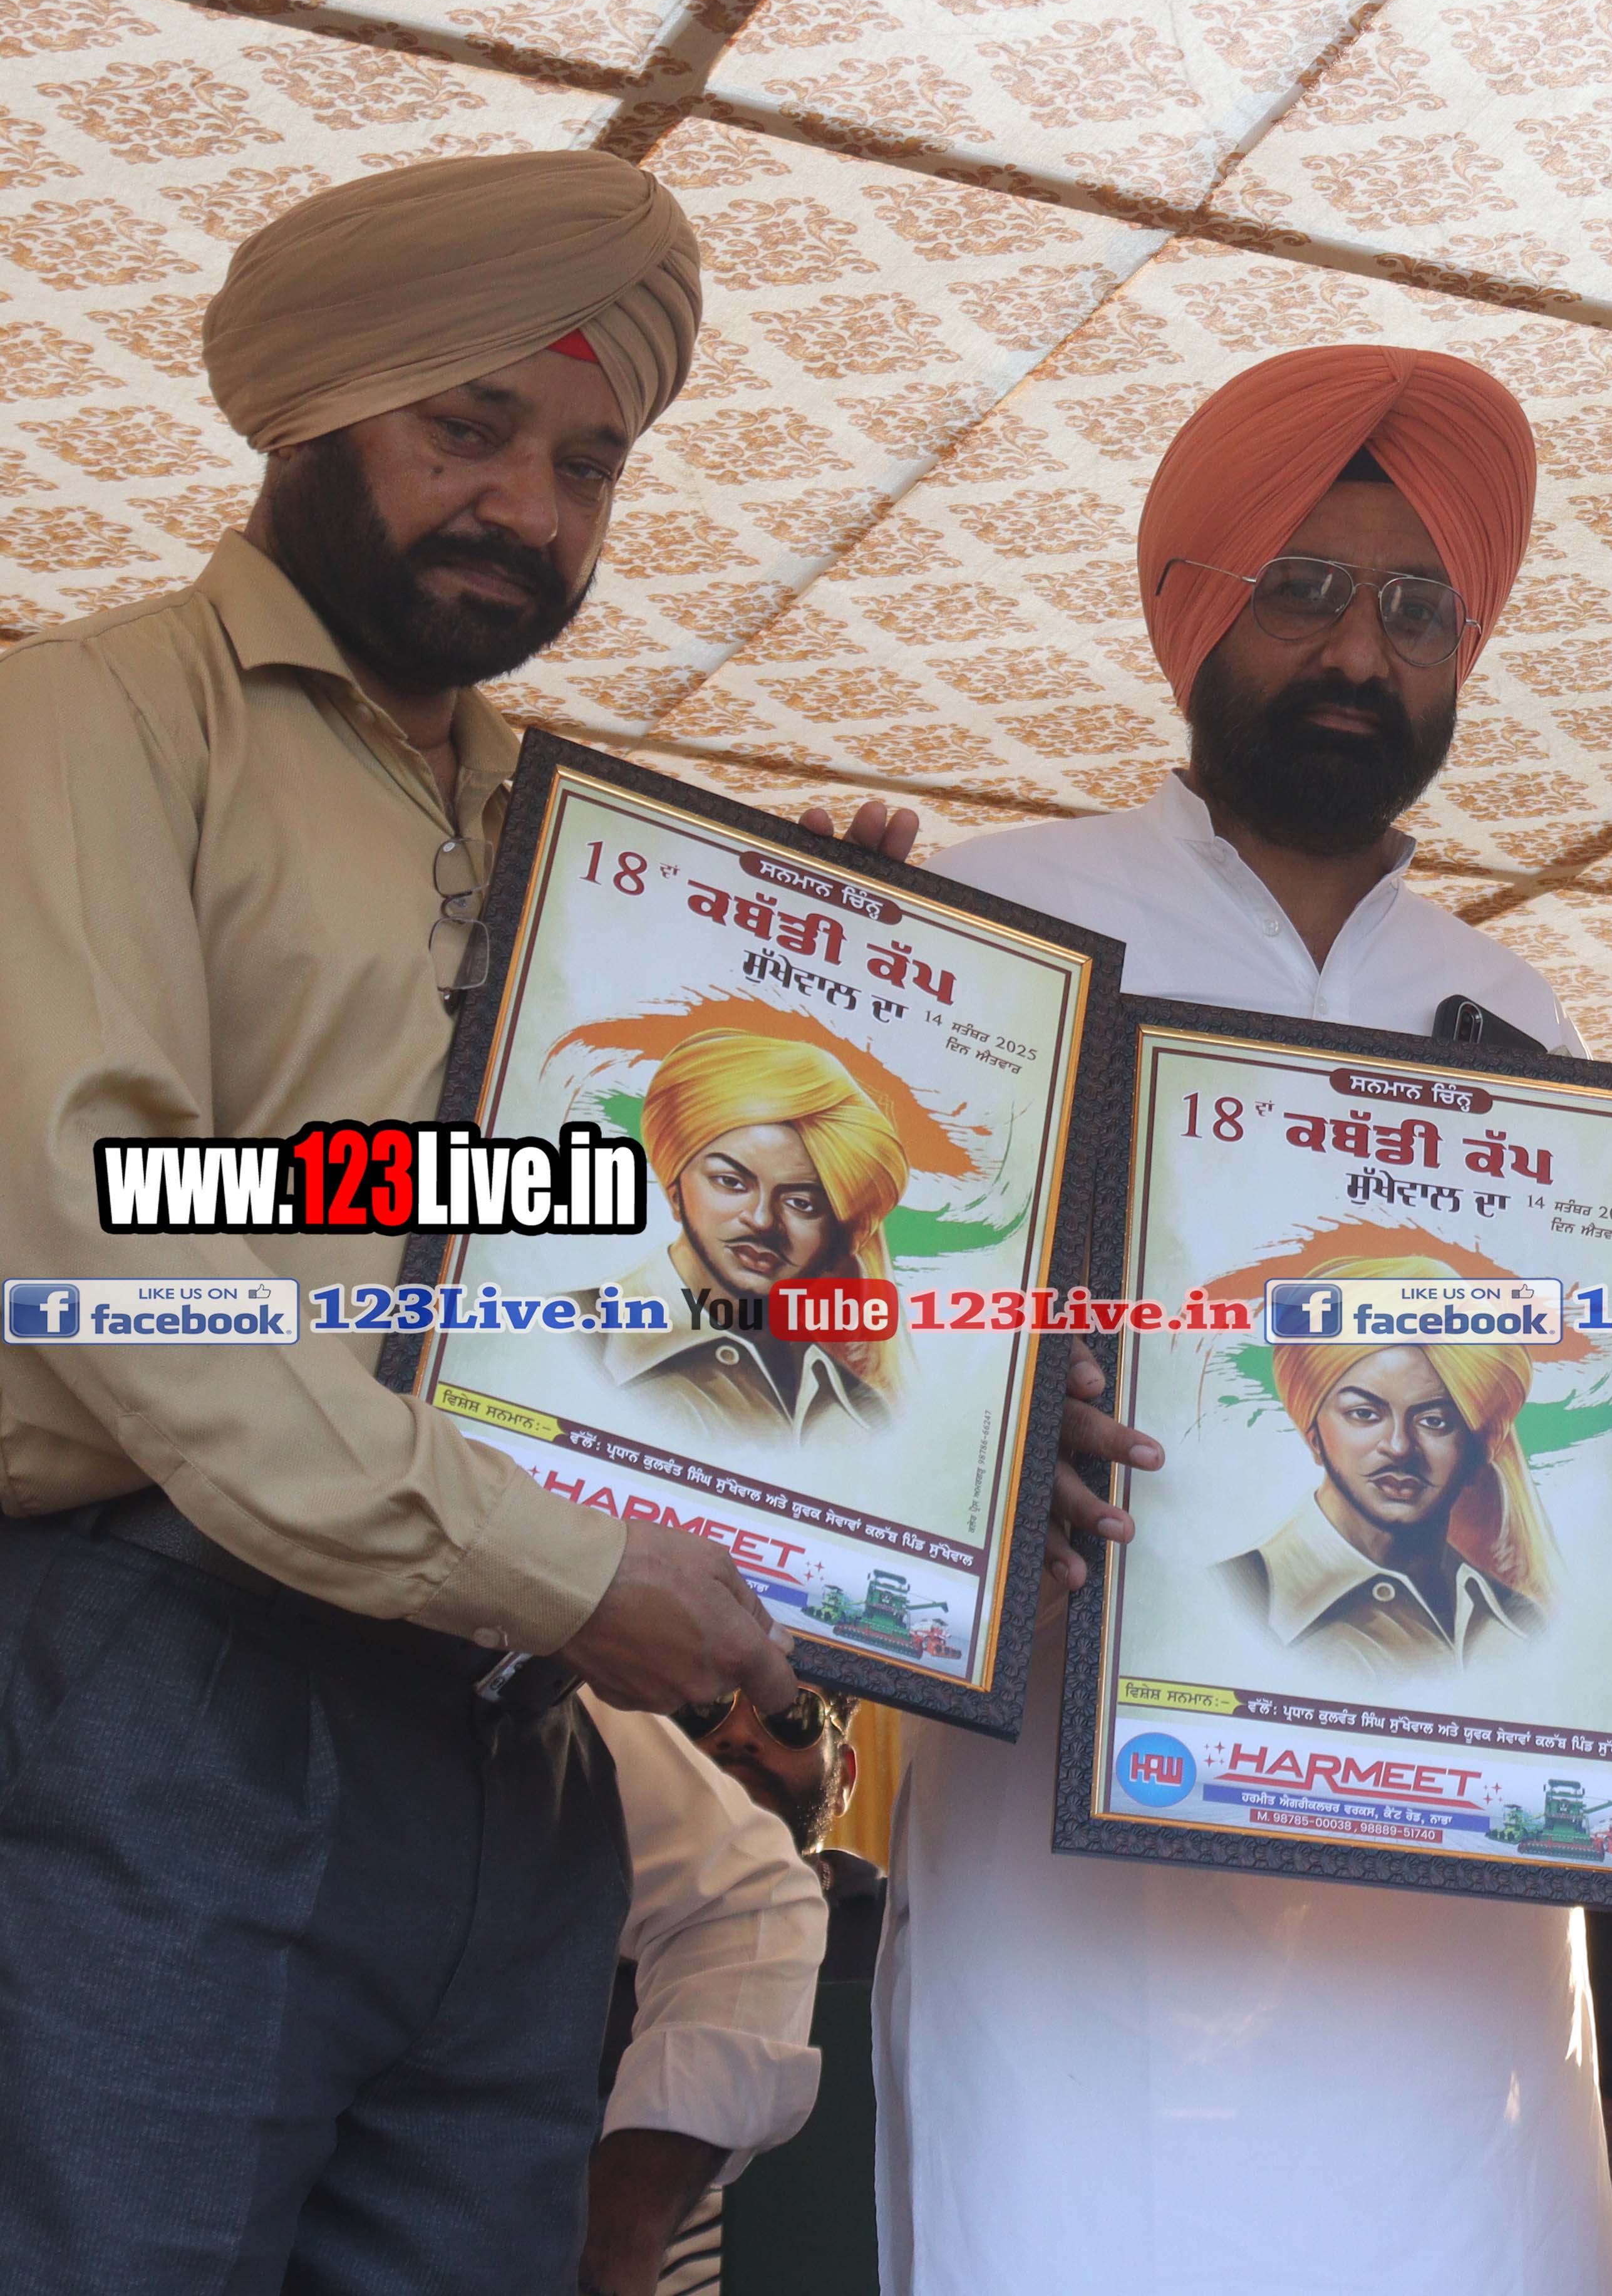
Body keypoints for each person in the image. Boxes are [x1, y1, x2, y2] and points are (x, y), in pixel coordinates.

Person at [0, 151, 829, 2292]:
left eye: (587, 465)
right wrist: (569, 1571)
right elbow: (120, 1252)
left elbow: (567, 1215)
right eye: (469, 429)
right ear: (311, 414)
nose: (530, 511)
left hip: (511, 1737)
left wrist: (822, 993)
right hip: (174, 1676)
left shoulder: (573, 829)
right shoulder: (90, 720)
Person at [876, 344, 1612, 2296]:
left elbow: (1594, 1442)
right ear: (1195, 609)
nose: (1361, 651)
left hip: (1450, 1954)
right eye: (1305, 591)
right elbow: (830, 1364)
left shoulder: (1529, 1029)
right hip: (1069, 1920)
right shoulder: (994, 932)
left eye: (1417, 608)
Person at [584, 1689, 834, 2296]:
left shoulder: (905, 1942)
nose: (739, 1735)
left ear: (846, 1774)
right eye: (702, 1705)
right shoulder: (551, 1916)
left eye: (789, 1714)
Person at [1231, 1256, 1556, 1682]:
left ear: (1479, 1450)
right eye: (1364, 1414)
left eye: (1434, 1421)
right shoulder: (1232, 1600)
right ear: (1314, 1435)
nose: (1400, 1447)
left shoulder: (1520, 1624)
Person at [591, 1028, 911, 1444]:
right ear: (676, 1191)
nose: (762, 1220)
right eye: (731, 1182)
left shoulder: (862, 1411)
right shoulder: (573, 1338)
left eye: (802, 1203)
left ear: (837, 1238)